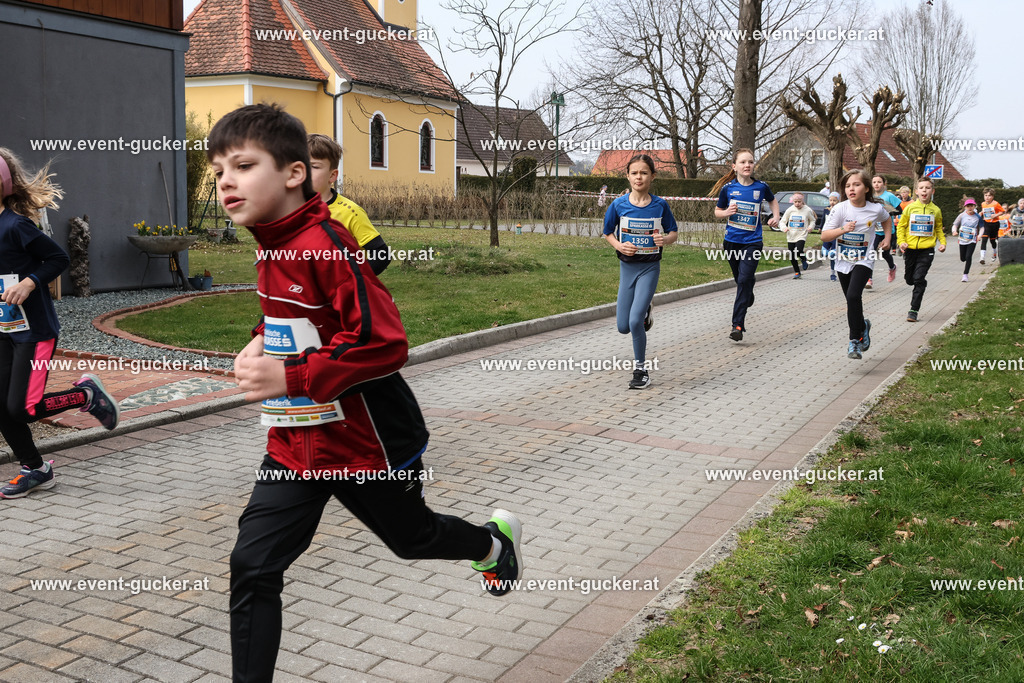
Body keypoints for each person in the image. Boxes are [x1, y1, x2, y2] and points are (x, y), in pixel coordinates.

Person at [208, 104, 523, 682]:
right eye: (218, 169)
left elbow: (384, 342)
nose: (225, 180)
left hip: (368, 445)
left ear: (294, 173)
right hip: (296, 448)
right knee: (252, 566)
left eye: (243, 165)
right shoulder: (271, 244)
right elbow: (294, 316)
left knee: (413, 538)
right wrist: (259, 341)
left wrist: (292, 378)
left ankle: (491, 544)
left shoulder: (326, 244)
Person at [0, 148, 119, 499]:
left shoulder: (16, 225)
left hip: (34, 332)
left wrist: (29, 282)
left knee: (24, 408)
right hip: (3, 330)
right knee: (1, 406)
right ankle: (36, 469)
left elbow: (58, 257)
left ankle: (86, 394)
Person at [603, 154, 678, 389]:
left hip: (649, 267)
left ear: (652, 176)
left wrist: (664, 240)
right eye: (634, 173)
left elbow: (674, 233)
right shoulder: (618, 205)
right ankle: (646, 311)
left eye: (644, 172)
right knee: (623, 327)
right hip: (627, 267)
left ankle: (641, 371)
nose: (639, 177)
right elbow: (607, 232)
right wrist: (619, 245)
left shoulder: (660, 205)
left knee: (635, 322)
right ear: (627, 176)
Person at [820, 169, 892, 359]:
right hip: (843, 260)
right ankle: (863, 326)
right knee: (851, 301)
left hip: (864, 260)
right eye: (848, 186)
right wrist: (842, 229)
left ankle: (854, 342)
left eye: (856, 184)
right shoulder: (840, 208)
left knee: (853, 296)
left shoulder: (875, 209)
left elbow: (887, 219)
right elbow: (824, 235)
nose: (851, 188)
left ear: (867, 188)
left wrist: (887, 238)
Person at [715, 149, 780, 341]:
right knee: (741, 280)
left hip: (752, 242)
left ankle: (737, 325)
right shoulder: (727, 188)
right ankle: (748, 294)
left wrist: (775, 216)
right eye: (743, 162)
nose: (747, 165)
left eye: (750, 162)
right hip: (731, 242)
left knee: (743, 279)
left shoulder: (761, 187)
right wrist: (727, 212)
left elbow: (773, 200)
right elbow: (717, 211)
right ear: (734, 166)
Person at [307, 134, 391, 275]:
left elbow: (381, 254)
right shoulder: (292, 210)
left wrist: (353, 279)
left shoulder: (351, 212)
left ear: (332, 176)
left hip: (340, 294)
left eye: (314, 167)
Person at [897, 177, 945, 322]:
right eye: (922, 188)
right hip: (911, 249)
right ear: (916, 191)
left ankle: (913, 310)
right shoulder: (910, 208)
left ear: (932, 191)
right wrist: (902, 242)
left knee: (918, 279)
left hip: (927, 250)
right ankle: (919, 281)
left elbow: (938, 228)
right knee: (909, 279)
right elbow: (901, 226)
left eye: (927, 188)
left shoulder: (936, 210)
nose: (924, 190)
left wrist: (942, 243)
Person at [868, 175, 901, 287]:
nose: (876, 184)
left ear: (884, 184)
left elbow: (899, 210)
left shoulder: (889, 196)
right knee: (871, 253)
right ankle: (869, 279)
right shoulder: (870, 196)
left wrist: (887, 213)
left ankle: (892, 267)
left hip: (887, 230)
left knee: (885, 254)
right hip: (875, 230)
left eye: (879, 182)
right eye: (874, 182)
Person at [781, 192, 815, 278]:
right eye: (795, 202)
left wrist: (810, 227)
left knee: (799, 250)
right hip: (791, 235)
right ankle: (797, 272)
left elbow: (812, 220)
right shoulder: (790, 209)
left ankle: (803, 259)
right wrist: (784, 228)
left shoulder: (807, 210)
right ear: (793, 201)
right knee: (792, 255)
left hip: (802, 234)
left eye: (799, 202)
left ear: (802, 201)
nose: (797, 204)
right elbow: (782, 221)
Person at [952, 197, 981, 282]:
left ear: (974, 206)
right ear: (965, 207)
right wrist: (954, 231)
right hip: (962, 239)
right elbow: (955, 224)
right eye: (968, 206)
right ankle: (964, 262)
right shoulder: (961, 215)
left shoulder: (978, 216)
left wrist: (980, 235)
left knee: (968, 257)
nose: (970, 207)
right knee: (963, 258)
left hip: (972, 239)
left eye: (971, 205)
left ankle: (965, 275)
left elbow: (982, 227)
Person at [979, 188, 1004, 264]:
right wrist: (981, 213)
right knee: (984, 239)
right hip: (986, 223)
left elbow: (1002, 211)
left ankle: (994, 253)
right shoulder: (983, 204)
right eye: (985, 195)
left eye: (989, 195)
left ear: (992, 196)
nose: (987, 197)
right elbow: (983, 211)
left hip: (994, 224)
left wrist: (995, 215)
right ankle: (982, 257)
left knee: (992, 240)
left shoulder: (996, 204)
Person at [822, 191, 840, 281]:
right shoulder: (826, 209)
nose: (832, 202)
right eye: (830, 200)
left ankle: (833, 273)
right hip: (827, 233)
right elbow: (823, 220)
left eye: (834, 200)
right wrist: (821, 228)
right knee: (824, 253)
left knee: (832, 255)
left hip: (835, 235)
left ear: (838, 201)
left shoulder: (840, 210)